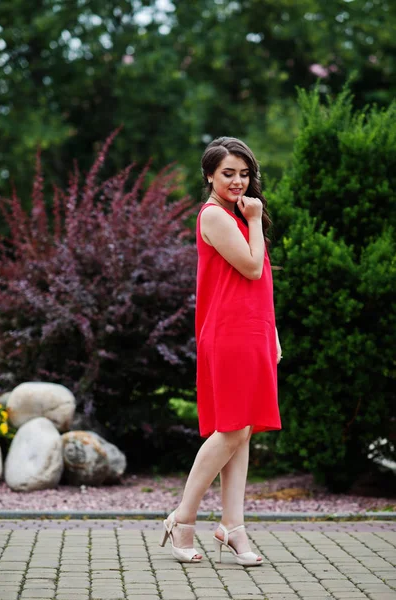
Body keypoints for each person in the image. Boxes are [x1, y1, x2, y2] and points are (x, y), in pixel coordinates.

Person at [160, 136, 282, 566]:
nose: (237, 181)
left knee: (243, 429)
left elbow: (258, 284)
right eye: (228, 173)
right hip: (229, 333)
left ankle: (233, 526)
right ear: (209, 175)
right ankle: (183, 519)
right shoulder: (215, 216)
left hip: (253, 331)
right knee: (230, 429)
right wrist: (255, 218)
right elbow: (250, 265)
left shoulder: (236, 214)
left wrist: (274, 335)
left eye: (244, 173)